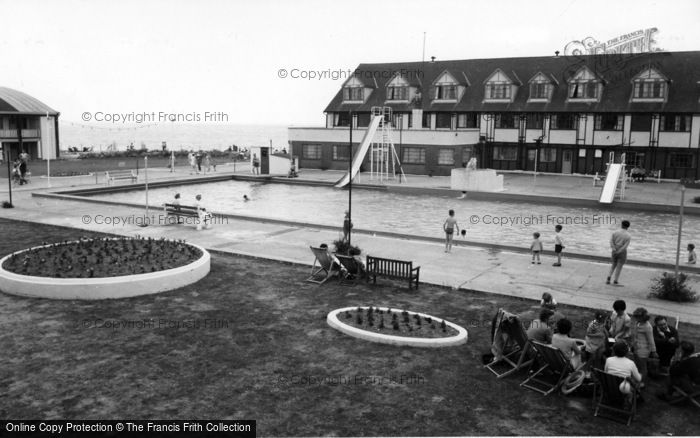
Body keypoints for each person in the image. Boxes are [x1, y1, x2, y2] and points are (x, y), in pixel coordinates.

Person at [631, 307, 657, 386]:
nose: (635, 318)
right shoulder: (638, 323)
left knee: (642, 367)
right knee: (637, 365)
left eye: (637, 317)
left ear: (642, 317)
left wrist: (654, 351)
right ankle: (637, 379)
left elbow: (651, 340)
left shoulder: (647, 327)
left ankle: (641, 382)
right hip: (636, 348)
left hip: (643, 349)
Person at [607, 220, 631, 285]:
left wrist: (614, 249)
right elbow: (625, 246)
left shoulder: (615, 232)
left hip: (614, 250)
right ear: (628, 227)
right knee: (619, 266)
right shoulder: (628, 235)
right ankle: (615, 280)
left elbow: (611, 241)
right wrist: (619, 251)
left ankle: (609, 276)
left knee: (613, 264)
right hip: (622, 252)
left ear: (621, 225)